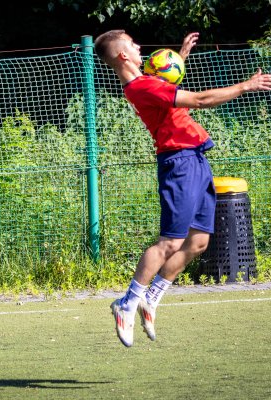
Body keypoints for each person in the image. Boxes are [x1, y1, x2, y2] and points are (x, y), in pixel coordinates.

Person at [94, 30, 271, 347]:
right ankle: (128, 302)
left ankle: (152, 298)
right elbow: (200, 100)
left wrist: (181, 55)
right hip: (180, 163)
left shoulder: (146, 84)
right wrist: (246, 85)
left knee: (199, 241)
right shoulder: (142, 86)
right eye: (133, 44)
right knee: (170, 242)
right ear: (122, 55)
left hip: (196, 160)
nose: (139, 46)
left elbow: (166, 84)